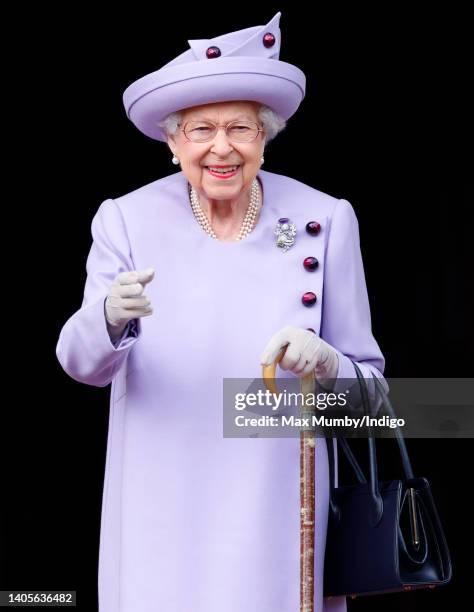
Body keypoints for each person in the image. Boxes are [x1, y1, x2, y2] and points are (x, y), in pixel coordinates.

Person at [56, 12, 387, 612]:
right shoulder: (125, 219)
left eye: (240, 127)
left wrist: (332, 364)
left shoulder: (325, 219)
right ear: (172, 141)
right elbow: (80, 363)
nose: (221, 147)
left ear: (266, 134)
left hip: (279, 513)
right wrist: (107, 316)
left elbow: (377, 401)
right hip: (161, 510)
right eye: (201, 129)